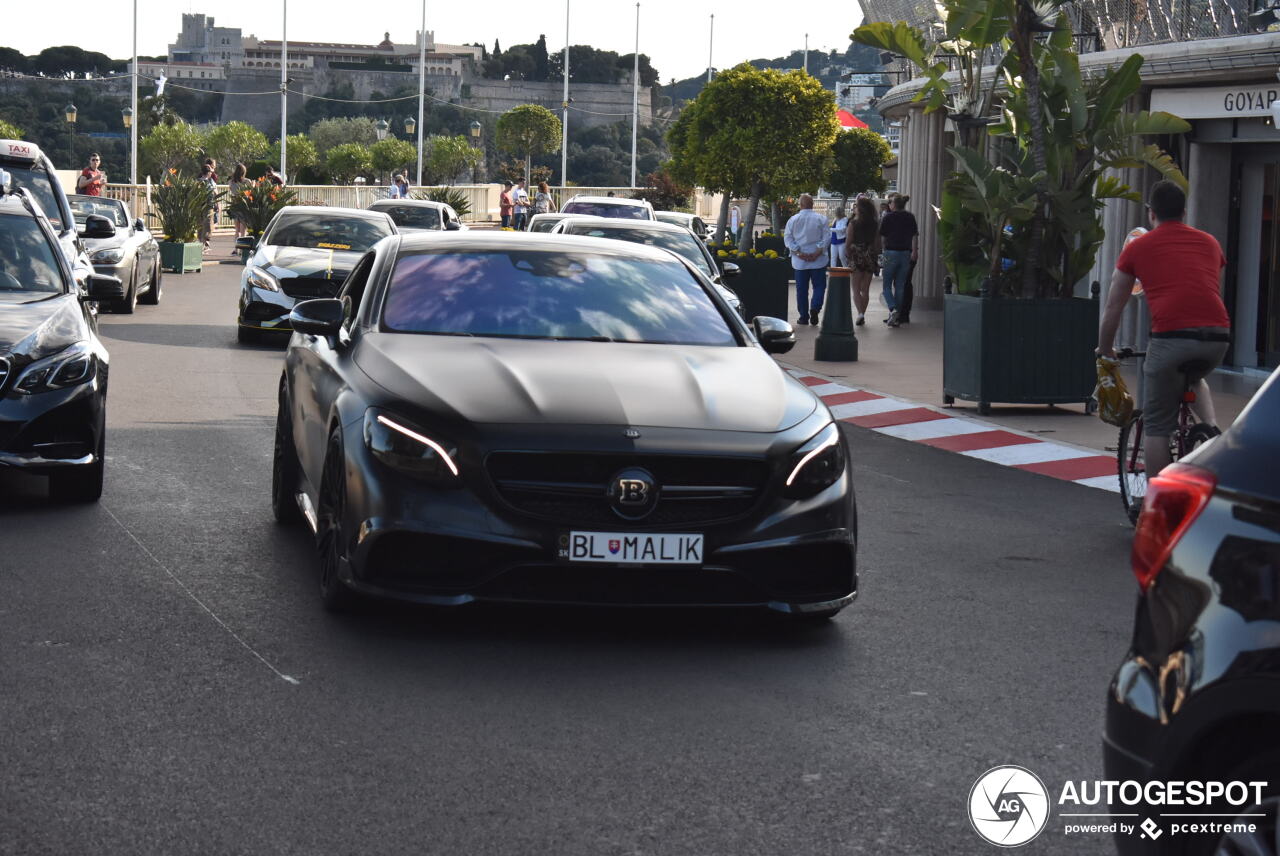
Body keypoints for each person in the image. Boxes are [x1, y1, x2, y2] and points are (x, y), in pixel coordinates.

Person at [1097, 180, 1231, 479]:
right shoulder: (1210, 242)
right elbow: (1203, 287)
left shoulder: (1139, 247)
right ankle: (1210, 433)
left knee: (1158, 426)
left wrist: (1105, 349)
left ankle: (1157, 506)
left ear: (1150, 213)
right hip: (1218, 336)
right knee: (1195, 377)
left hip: (1172, 338)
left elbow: (1114, 307)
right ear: (1184, 211)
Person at [783, 193, 831, 326]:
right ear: (812, 204)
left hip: (800, 262)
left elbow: (788, 238)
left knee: (801, 290)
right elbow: (827, 237)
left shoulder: (793, 220)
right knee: (819, 286)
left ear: (800, 205)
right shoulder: (821, 219)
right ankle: (815, 307)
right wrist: (817, 252)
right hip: (818, 260)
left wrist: (798, 252)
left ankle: (803, 317)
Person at [878, 193, 918, 327]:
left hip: (890, 252)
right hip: (905, 253)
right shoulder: (910, 217)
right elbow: (914, 235)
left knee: (886, 285)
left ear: (894, 205)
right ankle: (897, 316)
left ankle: (893, 308)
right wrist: (914, 251)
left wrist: (883, 251)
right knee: (900, 285)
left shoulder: (888, 217)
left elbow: (882, 237)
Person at [845, 197, 881, 327]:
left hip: (856, 255)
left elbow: (848, 242)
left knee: (855, 288)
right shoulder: (875, 223)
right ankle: (862, 314)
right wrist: (877, 255)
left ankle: (860, 313)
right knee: (865, 289)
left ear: (859, 209)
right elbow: (877, 242)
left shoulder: (853, 224)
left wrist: (848, 256)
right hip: (870, 255)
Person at [197, 164, 218, 254]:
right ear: (209, 173)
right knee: (208, 226)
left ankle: (202, 245)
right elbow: (215, 193)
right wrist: (217, 205)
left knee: (201, 225)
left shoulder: (198, 181)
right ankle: (202, 245)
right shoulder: (209, 182)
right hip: (208, 206)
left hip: (199, 206)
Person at [227, 162, 249, 243]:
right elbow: (249, 192)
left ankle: (236, 249)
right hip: (243, 205)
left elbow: (232, 190)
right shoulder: (247, 181)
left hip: (235, 205)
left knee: (237, 230)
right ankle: (242, 248)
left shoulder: (231, 182)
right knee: (243, 230)